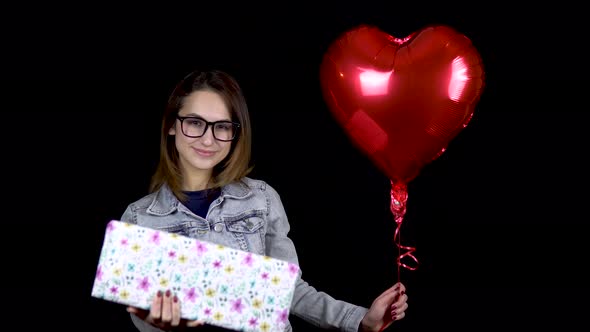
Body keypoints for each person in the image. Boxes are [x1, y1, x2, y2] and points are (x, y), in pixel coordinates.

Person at [121, 69, 409, 331]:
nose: (208, 140)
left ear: (235, 133)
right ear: (172, 125)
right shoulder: (139, 219)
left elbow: (289, 291)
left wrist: (360, 319)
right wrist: (159, 324)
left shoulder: (261, 198)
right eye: (195, 123)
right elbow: (141, 316)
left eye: (222, 126)